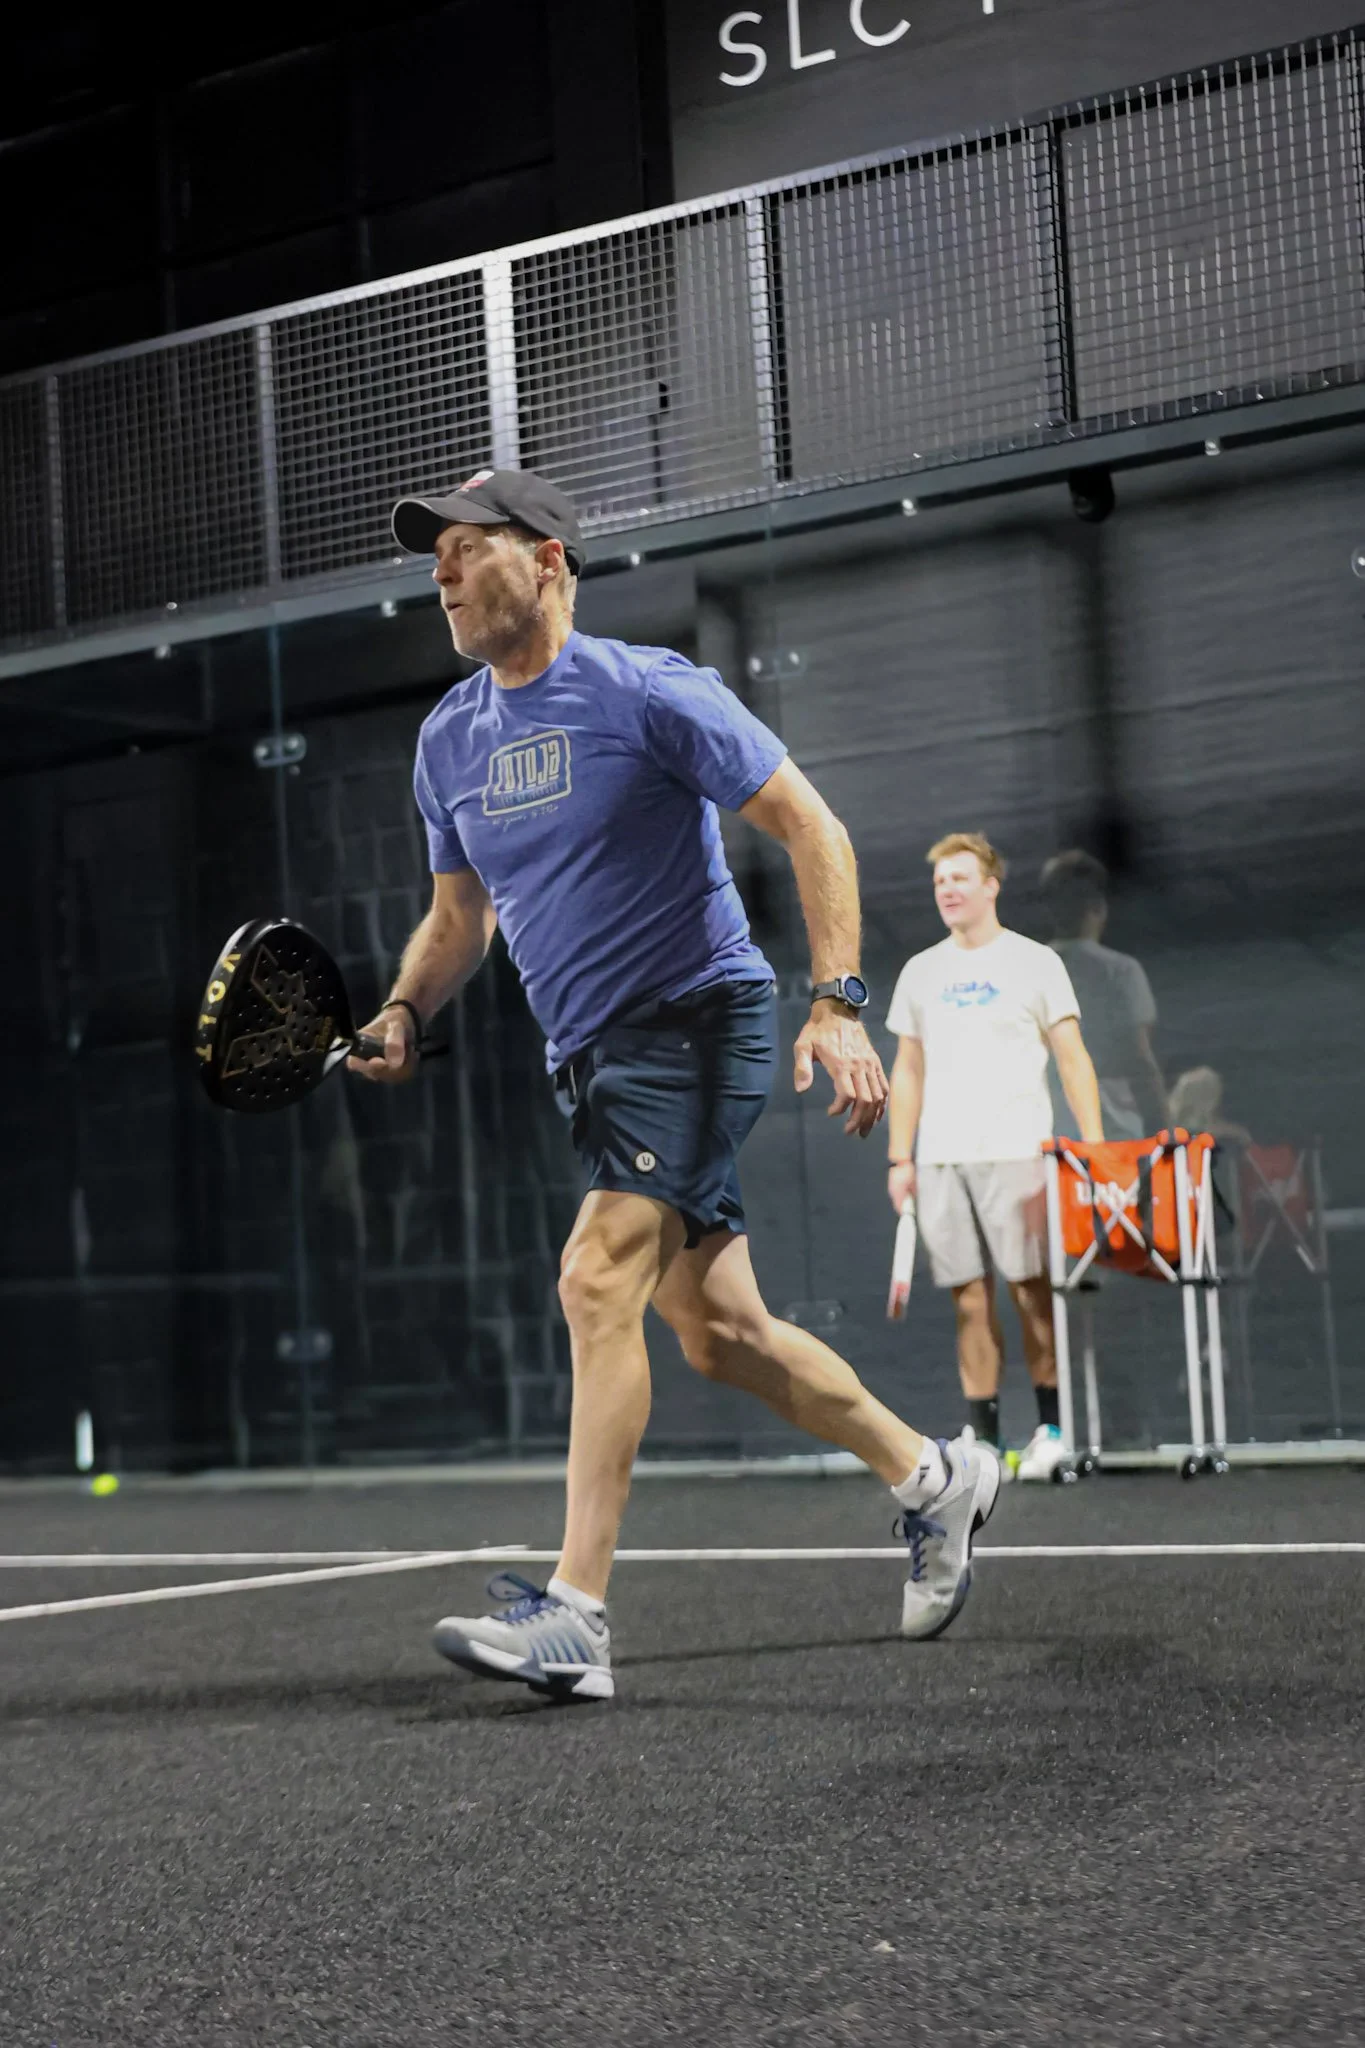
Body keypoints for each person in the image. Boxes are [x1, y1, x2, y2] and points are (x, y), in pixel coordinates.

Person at [351, 466, 1001, 1701]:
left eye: (465, 546)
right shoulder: (448, 741)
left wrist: (837, 1001)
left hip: (702, 1019)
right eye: (430, 553)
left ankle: (575, 1616)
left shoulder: (648, 691)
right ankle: (936, 1475)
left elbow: (812, 826)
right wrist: (400, 1010)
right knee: (722, 1335)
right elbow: (457, 919)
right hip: (591, 1060)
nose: (437, 568)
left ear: (547, 560)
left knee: (596, 1275)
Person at [885, 834, 1104, 1482]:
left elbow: (1072, 1058)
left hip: (1019, 1155)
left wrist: (1090, 1149)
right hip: (940, 1162)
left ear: (990, 885)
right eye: (938, 882)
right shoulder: (920, 972)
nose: (946, 889)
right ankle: (983, 1441)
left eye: (958, 878)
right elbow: (907, 1071)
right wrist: (901, 1159)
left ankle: (1051, 1431)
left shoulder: (1034, 963)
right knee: (967, 1301)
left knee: (1032, 1294)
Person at [1039, 850, 1168, 1141]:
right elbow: (1139, 1056)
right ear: (1099, 907)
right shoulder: (1120, 971)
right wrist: (1163, 1126)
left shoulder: (1027, 968)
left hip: (1045, 1127)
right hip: (1114, 1128)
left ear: (1049, 908)